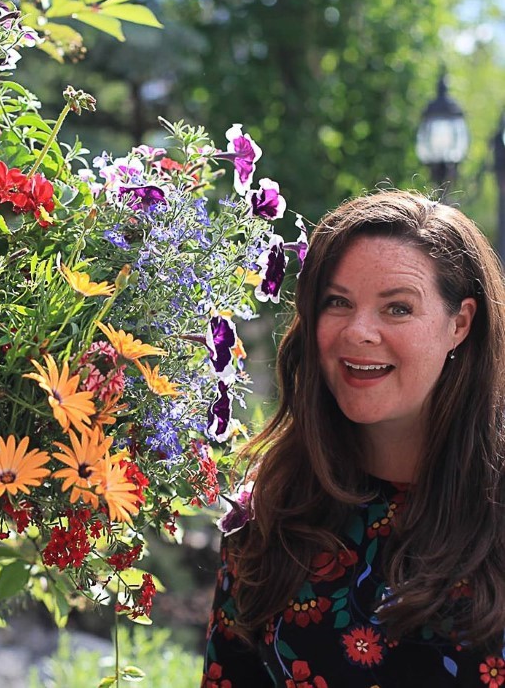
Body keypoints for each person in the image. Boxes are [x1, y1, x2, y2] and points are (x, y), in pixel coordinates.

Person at [201, 190, 505, 687]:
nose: (359, 331)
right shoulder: (272, 510)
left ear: (461, 323)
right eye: (338, 302)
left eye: (398, 309)